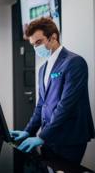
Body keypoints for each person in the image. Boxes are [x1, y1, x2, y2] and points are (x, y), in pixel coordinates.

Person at [11, 17, 95, 164]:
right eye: (32, 44)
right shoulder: (43, 68)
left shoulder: (74, 62)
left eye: (38, 42)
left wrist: (42, 136)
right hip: (49, 137)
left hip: (69, 137)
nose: (35, 48)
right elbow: (41, 105)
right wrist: (28, 131)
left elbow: (65, 105)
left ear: (53, 37)